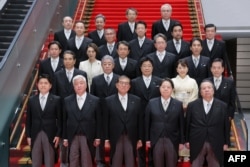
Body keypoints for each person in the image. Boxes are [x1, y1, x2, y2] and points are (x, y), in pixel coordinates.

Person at [185, 80, 230, 167]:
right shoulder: (192, 105)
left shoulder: (222, 106)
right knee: (195, 164)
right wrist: (186, 140)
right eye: (204, 88)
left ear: (213, 90)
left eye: (209, 88)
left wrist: (226, 142)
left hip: (216, 141)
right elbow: (187, 124)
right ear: (200, 92)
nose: (206, 90)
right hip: (196, 140)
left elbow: (226, 126)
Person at [62, 75, 101, 167]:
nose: (79, 86)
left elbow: (99, 120)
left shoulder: (95, 100)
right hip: (72, 135)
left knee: (87, 161)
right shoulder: (67, 100)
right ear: (73, 86)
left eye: (81, 83)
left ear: (86, 85)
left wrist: (98, 137)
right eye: (76, 84)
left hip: (88, 135)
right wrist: (65, 137)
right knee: (73, 159)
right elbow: (64, 120)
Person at [104, 75, 143, 167]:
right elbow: (105, 121)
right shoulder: (108, 100)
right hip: (115, 136)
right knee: (116, 161)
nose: (124, 85)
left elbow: (140, 121)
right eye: (121, 83)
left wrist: (140, 138)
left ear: (129, 86)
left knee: (131, 161)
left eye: (126, 84)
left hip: (131, 135)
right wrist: (106, 139)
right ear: (116, 85)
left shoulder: (136, 100)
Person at [145, 78, 185, 167]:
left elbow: (181, 124)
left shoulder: (178, 104)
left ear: (172, 89)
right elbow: (147, 122)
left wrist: (182, 141)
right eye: (163, 87)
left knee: (171, 163)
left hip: (172, 139)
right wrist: (147, 139)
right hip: (156, 139)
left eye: (168, 87)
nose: (166, 89)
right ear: (160, 89)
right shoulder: (152, 103)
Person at [130, 57, 162, 167]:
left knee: (154, 141)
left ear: (153, 67)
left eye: (149, 66)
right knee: (141, 142)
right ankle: (142, 164)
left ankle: (153, 163)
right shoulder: (134, 82)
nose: (147, 68)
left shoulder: (159, 81)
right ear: (140, 68)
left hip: (155, 117)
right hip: (140, 117)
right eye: (144, 66)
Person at [26, 74, 62, 167]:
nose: (43, 85)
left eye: (46, 83)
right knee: (36, 160)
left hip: (50, 134)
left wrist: (58, 134)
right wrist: (28, 135)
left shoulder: (56, 100)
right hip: (35, 133)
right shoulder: (31, 100)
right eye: (41, 83)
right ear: (37, 85)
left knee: (49, 160)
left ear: (50, 86)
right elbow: (28, 120)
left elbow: (60, 119)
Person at [91, 55, 119, 167]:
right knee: (101, 137)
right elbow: (93, 98)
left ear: (113, 65)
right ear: (101, 65)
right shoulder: (96, 79)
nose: (107, 66)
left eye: (109, 64)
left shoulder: (119, 78)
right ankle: (100, 160)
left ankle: (114, 160)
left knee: (114, 137)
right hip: (101, 113)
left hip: (116, 113)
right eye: (105, 64)